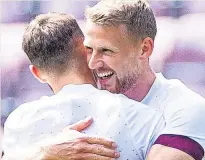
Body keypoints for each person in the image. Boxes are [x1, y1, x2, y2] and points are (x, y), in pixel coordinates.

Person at [3, 0, 205, 159]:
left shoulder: (185, 108)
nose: (92, 63)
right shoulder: (74, 106)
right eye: (89, 50)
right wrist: (44, 152)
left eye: (106, 51)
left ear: (144, 49)